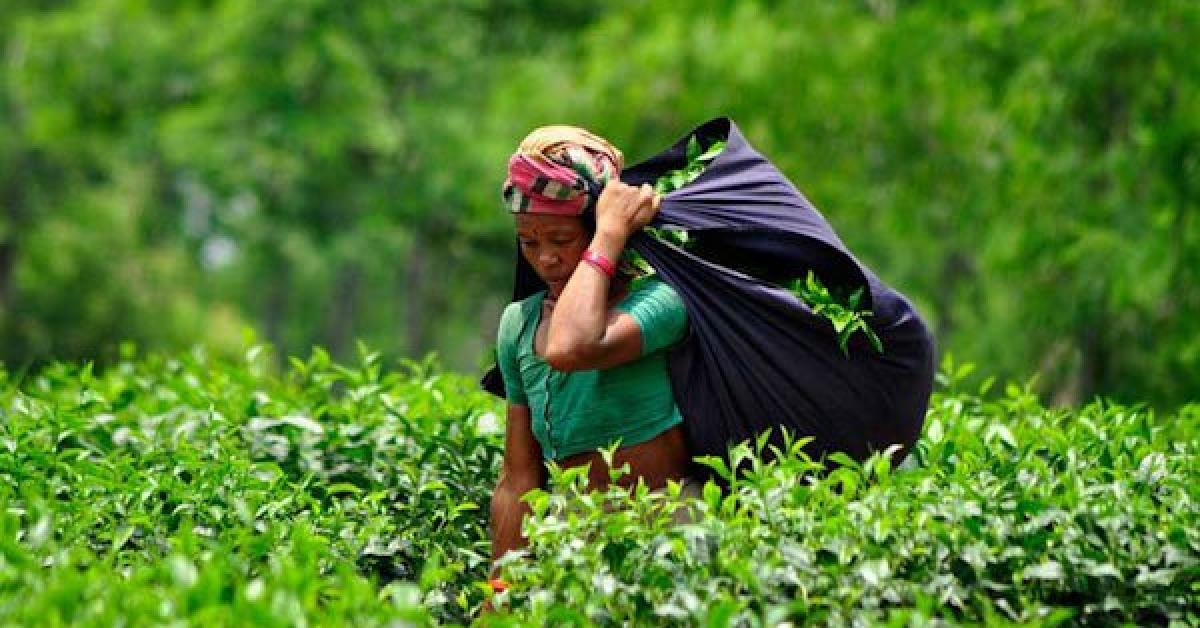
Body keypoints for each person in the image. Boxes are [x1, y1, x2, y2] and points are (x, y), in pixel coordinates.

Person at [488, 126, 698, 584]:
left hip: (665, 528)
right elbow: (517, 477)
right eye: (529, 242)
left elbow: (572, 346)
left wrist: (608, 237)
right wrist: (498, 591)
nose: (545, 259)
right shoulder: (518, 325)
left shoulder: (658, 302)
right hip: (571, 540)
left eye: (562, 241)